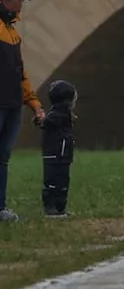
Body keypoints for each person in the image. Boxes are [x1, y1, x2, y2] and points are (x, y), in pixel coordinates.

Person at [0, 0, 46, 223]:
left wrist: (35, 104)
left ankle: (0, 207)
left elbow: (20, 74)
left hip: (12, 106)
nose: (21, 6)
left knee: (3, 156)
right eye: (20, 0)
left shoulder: (12, 33)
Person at [39, 80, 76, 218]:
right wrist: (41, 119)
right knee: (53, 181)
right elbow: (47, 122)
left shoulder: (64, 114)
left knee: (63, 181)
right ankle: (51, 207)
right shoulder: (56, 114)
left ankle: (61, 207)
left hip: (64, 155)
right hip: (54, 155)